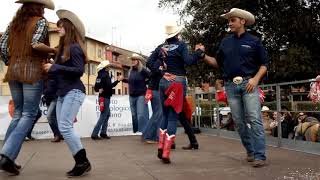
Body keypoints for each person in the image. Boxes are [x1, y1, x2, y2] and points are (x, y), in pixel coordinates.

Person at [202, 8, 269, 167]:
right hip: (230, 86)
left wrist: (255, 79)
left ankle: (260, 155)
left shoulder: (254, 41)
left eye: (233, 20)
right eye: (229, 20)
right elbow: (217, 63)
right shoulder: (226, 42)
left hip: (249, 84)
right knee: (238, 122)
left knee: (254, 118)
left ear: (242, 21)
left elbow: (265, 64)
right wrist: (202, 55)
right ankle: (251, 151)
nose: (229, 23)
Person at [0, 0, 55, 175]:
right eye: (43, 8)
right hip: (31, 70)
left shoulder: (13, 23)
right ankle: (7, 155)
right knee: (29, 114)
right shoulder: (40, 21)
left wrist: (11, 61)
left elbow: (2, 46)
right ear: (37, 7)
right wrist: (53, 51)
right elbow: (36, 44)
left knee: (18, 113)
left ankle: (6, 157)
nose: (44, 11)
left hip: (13, 71)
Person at [43, 9, 91, 177]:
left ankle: (82, 162)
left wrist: (55, 67)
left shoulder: (75, 48)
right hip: (63, 93)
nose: (58, 29)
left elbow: (78, 70)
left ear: (69, 29)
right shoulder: (63, 50)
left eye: (61, 27)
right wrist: (52, 68)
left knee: (64, 126)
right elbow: (60, 73)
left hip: (74, 91)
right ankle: (82, 162)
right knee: (64, 128)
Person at [152, 22, 205, 164]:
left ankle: (161, 147)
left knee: (164, 115)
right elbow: (188, 61)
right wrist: (199, 52)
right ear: (178, 34)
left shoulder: (161, 47)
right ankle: (166, 153)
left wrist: (162, 72)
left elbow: (150, 63)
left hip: (163, 82)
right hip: (177, 82)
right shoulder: (181, 45)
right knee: (173, 117)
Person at [91, 60, 123, 140]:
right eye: (108, 66)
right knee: (103, 115)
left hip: (101, 97)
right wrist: (118, 81)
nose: (109, 67)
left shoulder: (99, 75)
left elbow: (95, 88)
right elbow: (110, 86)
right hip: (105, 98)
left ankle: (103, 133)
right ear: (106, 68)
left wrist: (99, 89)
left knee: (106, 114)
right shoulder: (106, 75)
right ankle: (95, 134)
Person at [123, 53, 150, 137]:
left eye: (134, 59)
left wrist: (145, 82)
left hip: (141, 95)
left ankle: (145, 131)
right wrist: (123, 79)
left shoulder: (143, 70)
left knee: (141, 114)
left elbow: (151, 77)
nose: (133, 61)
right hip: (132, 95)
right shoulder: (130, 71)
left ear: (138, 61)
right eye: (132, 60)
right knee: (134, 114)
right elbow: (130, 81)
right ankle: (137, 130)